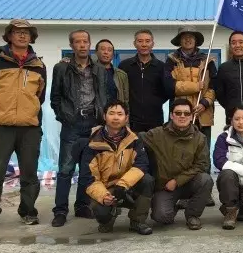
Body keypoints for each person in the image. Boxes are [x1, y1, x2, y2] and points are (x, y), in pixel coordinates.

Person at [0, 19, 47, 229]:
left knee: (29, 173)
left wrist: (27, 112)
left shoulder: (39, 66)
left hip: (30, 128)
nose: (22, 35)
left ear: (31, 37)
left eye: (26, 32)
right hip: (1, 127)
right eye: (17, 32)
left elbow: (40, 97)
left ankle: (28, 211)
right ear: (9, 36)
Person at [50, 30, 107, 227]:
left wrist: (101, 119)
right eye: (78, 42)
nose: (82, 45)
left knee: (87, 169)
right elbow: (55, 97)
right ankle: (60, 210)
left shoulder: (99, 69)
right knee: (66, 169)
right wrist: (64, 116)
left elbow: (103, 95)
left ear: (90, 44)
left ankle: (82, 206)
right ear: (72, 45)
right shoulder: (61, 68)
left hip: (93, 123)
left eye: (85, 41)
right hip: (72, 123)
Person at [79, 100, 153, 234]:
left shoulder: (134, 140)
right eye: (111, 113)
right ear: (104, 116)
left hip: (128, 185)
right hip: (106, 187)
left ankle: (137, 221)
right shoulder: (92, 143)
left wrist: (123, 185)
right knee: (101, 211)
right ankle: (108, 218)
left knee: (147, 180)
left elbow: (141, 165)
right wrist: (104, 196)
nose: (115, 117)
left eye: (120, 114)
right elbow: (88, 177)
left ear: (126, 118)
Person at [164, 25, 218, 206]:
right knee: (181, 155)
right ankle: (183, 192)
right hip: (181, 115)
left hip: (203, 115)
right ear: (179, 40)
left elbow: (214, 86)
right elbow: (169, 86)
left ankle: (205, 192)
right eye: (184, 37)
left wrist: (205, 103)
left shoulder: (207, 60)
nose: (188, 40)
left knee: (203, 154)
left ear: (196, 40)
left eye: (191, 37)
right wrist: (195, 87)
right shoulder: (171, 60)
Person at [141, 99, 214, 230]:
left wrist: (177, 181)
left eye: (186, 113)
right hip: (165, 187)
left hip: (189, 183)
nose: (182, 116)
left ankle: (192, 215)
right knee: (161, 217)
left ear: (191, 116)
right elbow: (136, 138)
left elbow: (202, 164)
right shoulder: (156, 134)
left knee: (206, 180)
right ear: (171, 115)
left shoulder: (199, 138)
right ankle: (170, 208)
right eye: (178, 113)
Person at [118, 29, 171, 132]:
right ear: (134, 44)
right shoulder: (125, 66)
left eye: (147, 41)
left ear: (153, 44)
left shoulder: (161, 67)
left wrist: (155, 102)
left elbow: (167, 91)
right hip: (131, 120)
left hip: (155, 119)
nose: (144, 44)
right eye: (140, 41)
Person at [94, 39, 129, 104]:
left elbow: (126, 99)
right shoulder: (89, 72)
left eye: (109, 50)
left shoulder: (121, 75)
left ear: (113, 55)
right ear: (96, 52)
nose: (106, 52)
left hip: (115, 109)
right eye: (103, 49)